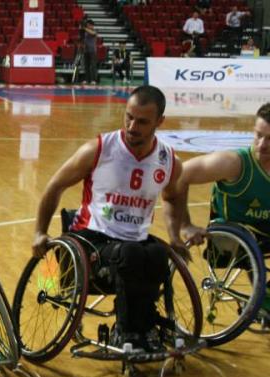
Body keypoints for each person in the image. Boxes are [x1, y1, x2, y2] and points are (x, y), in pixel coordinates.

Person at [32, 86, 187, 352]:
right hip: (92, 238)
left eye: (142, 121)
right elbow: (54, 185)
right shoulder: (99, 149)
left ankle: (145, 328)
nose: (132, 126)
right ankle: (125, 331)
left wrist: (175, 237)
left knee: (158, 254)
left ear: (160, 122)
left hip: (135, 241)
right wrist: (39, 232)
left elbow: (172, 199)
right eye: (128, 117)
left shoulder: (168, 160)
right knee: (131, 254)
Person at [168, 103, 270, 310]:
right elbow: (179, 175)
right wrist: (185, 225)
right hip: (231, 235)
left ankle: (263, 299)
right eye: (258, 135)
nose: (261, 145)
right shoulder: (234, 163)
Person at [82, 19, 98, 85]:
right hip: (86, 50)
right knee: (86, 66)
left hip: (92, 51)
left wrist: (84, 28)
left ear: (92, 25)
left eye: (89, 25)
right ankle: (87, 79)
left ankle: (94, 80)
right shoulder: (86, 32)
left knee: (93, 66)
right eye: (87, 25)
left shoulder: (94, 31)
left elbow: (92, 33)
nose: (87, 26)